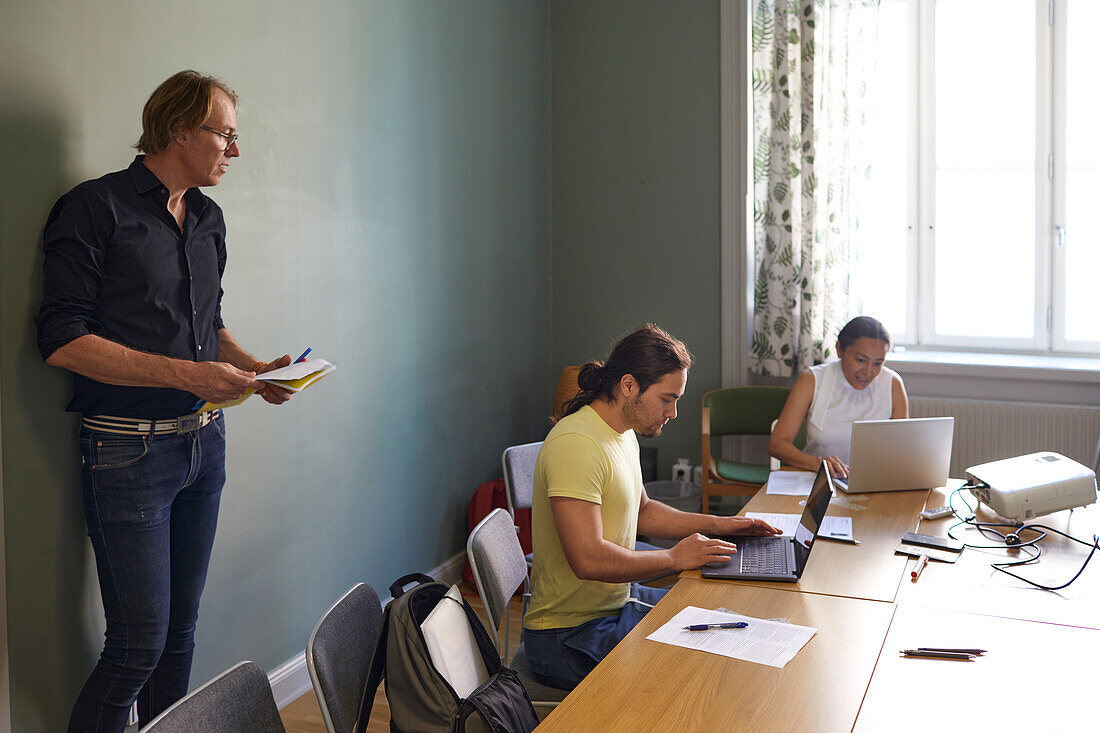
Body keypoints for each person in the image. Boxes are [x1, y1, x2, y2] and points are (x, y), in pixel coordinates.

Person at [35, 70, 293, 732]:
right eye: (225, 134)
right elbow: (62, 340)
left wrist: (255, 367)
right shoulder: (95, 208)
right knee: (137, 646)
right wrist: (187, 373)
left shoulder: (208, 218)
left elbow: (206, 325)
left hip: (204, 445)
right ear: (179, 130)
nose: (234, 151)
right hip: (126, 450)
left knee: (180, 635)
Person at [522, 324, 779, 690]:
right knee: (708, 663)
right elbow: (588, 559)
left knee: (725, 617)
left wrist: (721, 524)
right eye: (667, 399)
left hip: (612, 606)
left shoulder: (621, 432)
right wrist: (675, 557)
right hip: (568, 635)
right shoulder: (577, 443)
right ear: (629, 386)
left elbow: (644, 511)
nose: (673, 413)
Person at [769, 316, 909, 479]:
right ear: (839, 349)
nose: (868, 371)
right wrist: (818, 464)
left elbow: (902, 449)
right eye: (861, 360)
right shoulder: (812, 380)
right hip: (818, 481)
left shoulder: (893, 384)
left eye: (878, 363)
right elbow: (777, 444)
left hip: (874, 481)